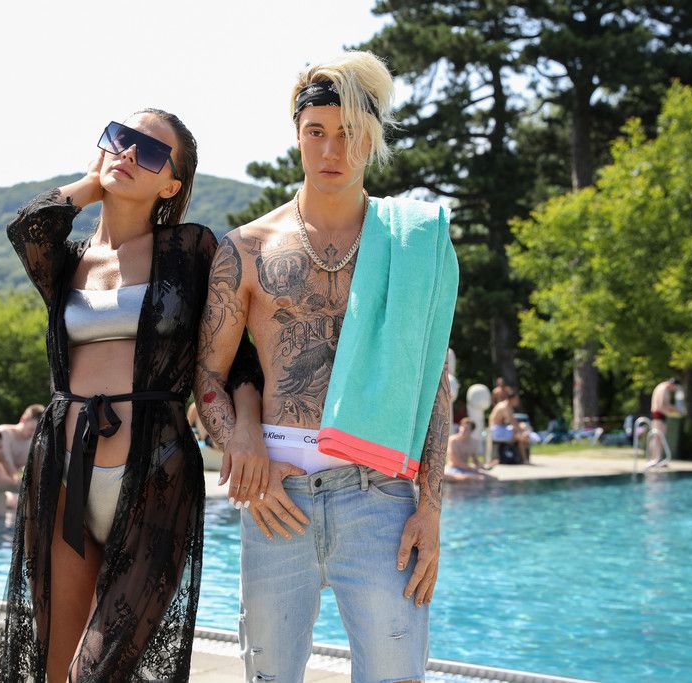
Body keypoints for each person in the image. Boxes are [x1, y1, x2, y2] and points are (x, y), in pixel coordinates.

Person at [196, 51, 457, 683]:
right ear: (297, 136)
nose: (332, 149)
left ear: (372, 141)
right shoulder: (247, 249)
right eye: (317, 131)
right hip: (275, 496)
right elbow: (206, 376)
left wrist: (430, 509)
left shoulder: (412, 240)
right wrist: (243, 450)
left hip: (381, 494)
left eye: (350, 134)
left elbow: (432, 386)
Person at [0, 110, 263, 683]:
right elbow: (27, 227)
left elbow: (235, 353)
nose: (130, 153)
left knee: (101, 671)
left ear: (172, 186)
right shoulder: (67, 261)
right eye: (122, 139)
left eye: (151, 152)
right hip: (62, 475)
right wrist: (93, 184)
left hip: (156, 474)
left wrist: (246, 428)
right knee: (55, 667)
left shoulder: (191, 250)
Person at [0, 404, 43, 475]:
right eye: (31, 429)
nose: (33, 435)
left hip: (16, 480)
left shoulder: (35, 441)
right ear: (23, 419)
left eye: (37, 432)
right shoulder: (3, 433)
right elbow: (7, 467)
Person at [489, 390, 529, 465]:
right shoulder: (504, 407)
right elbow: (512, 421)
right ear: (512, 399)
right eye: (516, 399)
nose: (518, 401)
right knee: (520, 437)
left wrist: (521, 429)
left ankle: (524, 459)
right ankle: (524, 459)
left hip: (500, 429)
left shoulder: (506, 406)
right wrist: (522, 432)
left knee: (522, 429)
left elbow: (512, 423)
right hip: (497, 431)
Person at [649, 377, 682, 463]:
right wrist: (676, 409)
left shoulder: (663, 387)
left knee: (659, 437)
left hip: (660, 415)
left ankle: (657, 458)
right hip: (658, 415)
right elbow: (662, 405)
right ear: (673, 385)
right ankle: (655, 459)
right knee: (657, 437)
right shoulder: (663, 388)